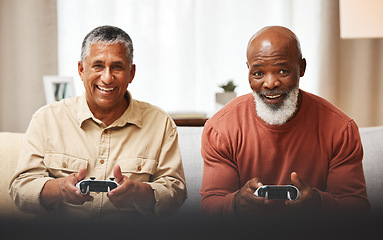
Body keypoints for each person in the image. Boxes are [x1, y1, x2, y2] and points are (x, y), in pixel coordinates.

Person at [9, 25, 186, 220]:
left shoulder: (161, 124)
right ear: (81, 70)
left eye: (117, 67)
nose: (107, 78)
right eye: (98, 66)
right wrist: (59, 188)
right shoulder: (46, 119)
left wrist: (137, 192)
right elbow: (20, 189)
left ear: (131, 73)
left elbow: (176, 193)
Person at [200, 26, 370, 217]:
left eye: (282, 70)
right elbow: (210, 205)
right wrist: (235, 203)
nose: (270, 83)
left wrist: (319, 203)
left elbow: (356, 208)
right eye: (258, 73)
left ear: (302, 68)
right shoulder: (220, 129)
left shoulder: (340, 129)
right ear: (248, 70)